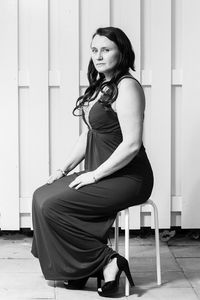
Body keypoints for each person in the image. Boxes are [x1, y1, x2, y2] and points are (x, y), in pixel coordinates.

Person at [31, 26, 154, 297]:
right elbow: (87, 135)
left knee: (53, 205)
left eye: (106, 49)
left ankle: (108, 262)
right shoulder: (102, 87)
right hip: (101, 170)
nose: (98, 56)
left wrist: (95, 175)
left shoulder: (127, 86)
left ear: (121, 53)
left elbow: (132, 144)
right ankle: (78, 269)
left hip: (129, 177)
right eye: (94, 50)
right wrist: (62, 169)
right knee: (41, 196)